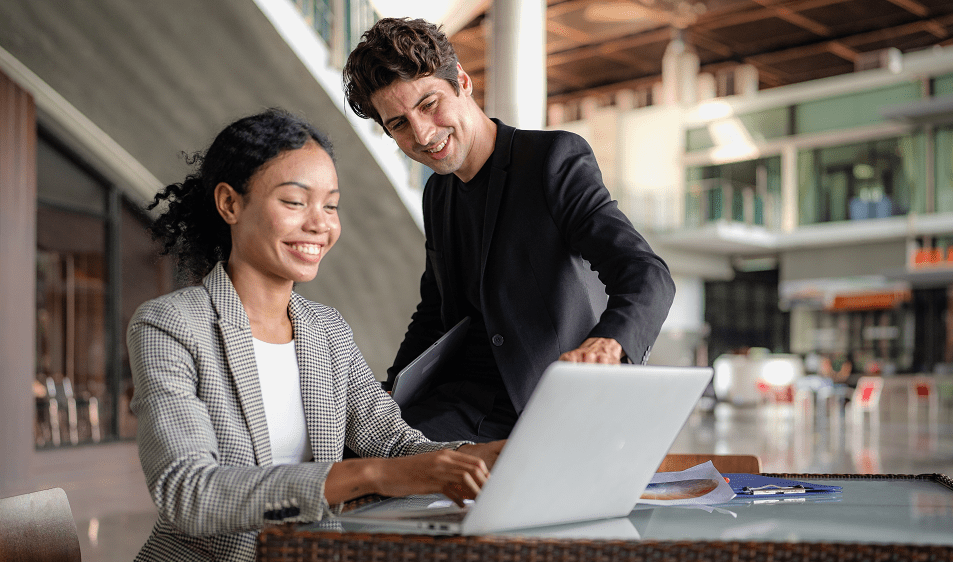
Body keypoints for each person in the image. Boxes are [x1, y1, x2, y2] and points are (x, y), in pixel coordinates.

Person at [128, 109, 503, 562]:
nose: (320, 224)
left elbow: (395, 444)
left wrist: (485, 456)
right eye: (294, 201)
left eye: (330, 205)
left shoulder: (326, 329)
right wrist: (369, 475)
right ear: (230, 204)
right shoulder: (169, 325)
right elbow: (190, 494)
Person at [342, 18, 676, 443]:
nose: (422, 134)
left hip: (539, 404)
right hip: (458, 402)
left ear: (463, 81)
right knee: (345, 447)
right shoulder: (438, 193)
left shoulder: (551, 160)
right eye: (399, 124)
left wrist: (609, 344)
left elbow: (646, 273)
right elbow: (434, 310)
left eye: (428, 105)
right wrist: (391, 393)